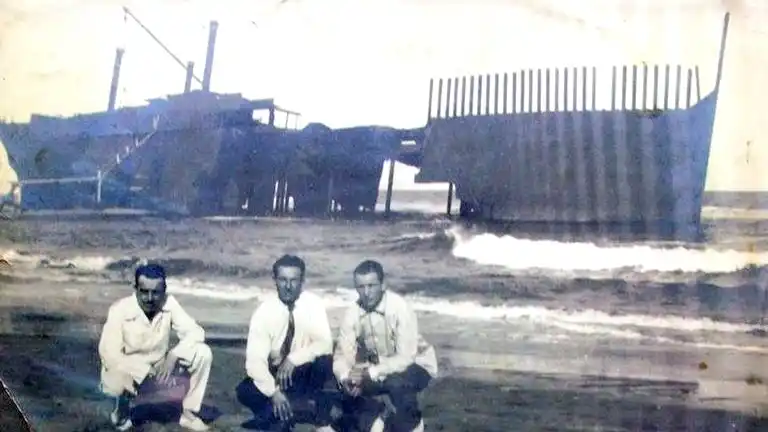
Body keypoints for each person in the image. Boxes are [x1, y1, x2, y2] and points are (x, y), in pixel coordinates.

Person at [98, 263, 212, 431]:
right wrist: (141, 371)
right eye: (144, 291)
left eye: (156, 292)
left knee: (202, 353)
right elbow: (108, 353)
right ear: (135, 288)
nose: (150, 298)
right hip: (129, 371)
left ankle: (187, 413)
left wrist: (174, 355)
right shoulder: (119, 309)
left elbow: (196, 333)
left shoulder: (169, 304)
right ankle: (122, 412)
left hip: (159, 370)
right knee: (116, 373)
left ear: (164, 290)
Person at [334, 260, 438, 432]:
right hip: (379, 365)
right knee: (345, 387)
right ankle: (378, 414)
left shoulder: (400, 308)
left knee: (397, 383)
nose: (366, 293)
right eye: (360, 287)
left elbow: (405, 357)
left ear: (383, 285)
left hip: (417, 364)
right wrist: (346, 377)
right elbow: (342, 355)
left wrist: (370, 373)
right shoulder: (352, 312)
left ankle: (413, 424)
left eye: (371, 285)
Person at [236, 254, 336, 431]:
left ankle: (312, 417)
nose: (288, 287)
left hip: (302, 372)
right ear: (274, 280)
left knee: (324, 361)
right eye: (282, 280)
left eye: (293, 280)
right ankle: (284, 412)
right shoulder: (264, 312)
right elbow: (254, 362)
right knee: (245, 390)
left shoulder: (313, 304)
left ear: (302, 280)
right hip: (275, 376)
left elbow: (325, 343)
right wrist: (273, 392)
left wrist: (293, 359)